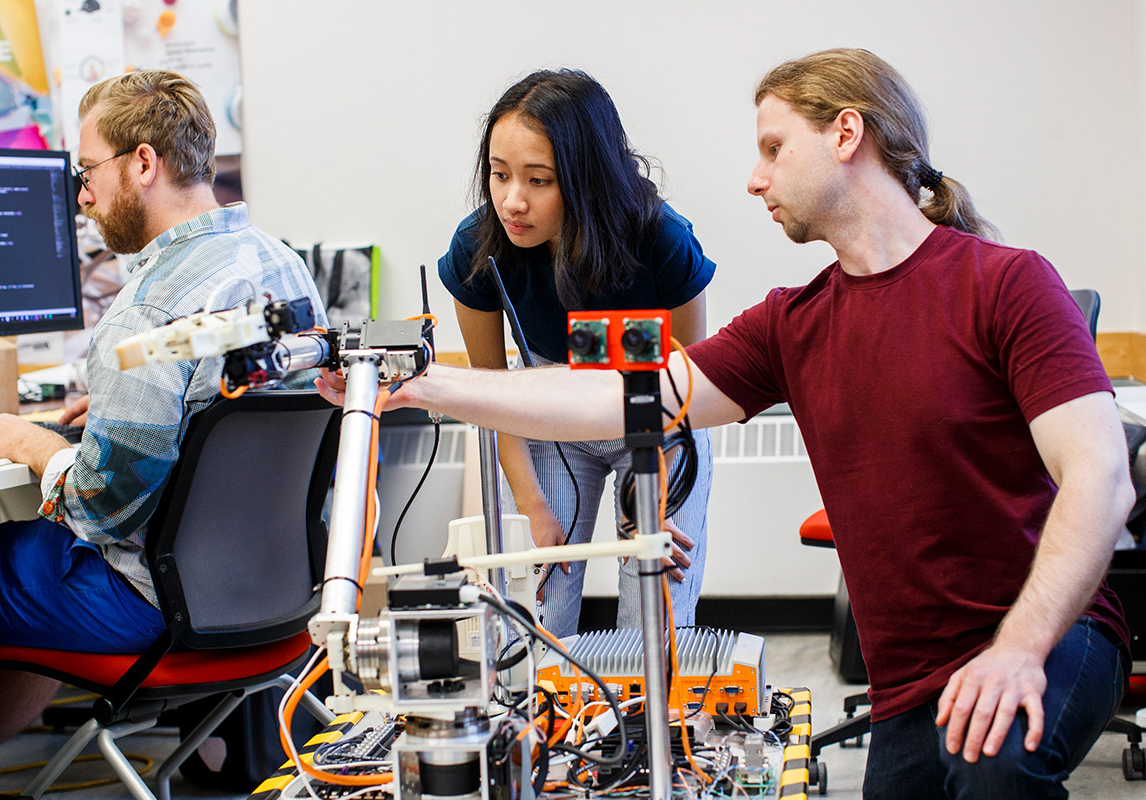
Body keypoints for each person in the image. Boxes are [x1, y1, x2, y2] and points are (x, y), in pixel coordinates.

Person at [320, 49, 1133, 797]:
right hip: (911, 683)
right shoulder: (791, 325)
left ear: (846, 133)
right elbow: (611, 398)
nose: (754, 177)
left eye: (773, 149)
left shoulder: (1007, 285)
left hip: (1048, 634)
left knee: (993, 769)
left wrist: (1020, 648)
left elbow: (1099, 477)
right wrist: (423, 387)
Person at [0, 69, 326, 772]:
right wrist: (139, 404)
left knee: (15, 551)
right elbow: (236, 393)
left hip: (152, 604)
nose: (83, 195)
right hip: (274, 593)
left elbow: (103, 509)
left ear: (143, 163)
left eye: (87, 171)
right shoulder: (283, 268)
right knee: (36, 554)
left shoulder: (146, 313)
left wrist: (32, 444)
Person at [438, 68, 717, 636]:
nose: (512, 201)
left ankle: (643, 724)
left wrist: (654, 500)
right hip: (547, 416)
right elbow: (493, 393)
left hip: (654, 410)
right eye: (498, 175)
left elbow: (692, 377)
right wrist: (531, 506)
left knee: (653, 620)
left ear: (586, 177)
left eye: (538, 180)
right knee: (535, 618)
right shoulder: (478, 246)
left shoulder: (659, 237)